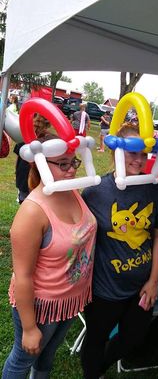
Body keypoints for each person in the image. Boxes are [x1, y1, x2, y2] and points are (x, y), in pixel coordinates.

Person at [80, 123, 158, 379]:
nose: (140, 160)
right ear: (116, 152)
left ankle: (99, 367)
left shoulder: (154, 188)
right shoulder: (96, 191)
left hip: (141, 286)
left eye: (144, 154)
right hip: (104, 289)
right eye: (134, 153)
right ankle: (92, 373)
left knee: (134, 337)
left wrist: (154, 281)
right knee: (96, 339)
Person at [2, 134, 97, 379]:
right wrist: (30, 327)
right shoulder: (32, 212)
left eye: (73, 162)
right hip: (41, 305)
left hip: (71, 298)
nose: (71, 170)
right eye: (62, 164)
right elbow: (22, 275)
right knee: (22, 359)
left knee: (48, 353)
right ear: (40, 164)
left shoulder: (72, 190)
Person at [14, 114, 51, 204]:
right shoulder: (48, 142)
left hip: (29, 178)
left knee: (25, 201)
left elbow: (18, 159)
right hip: (32, 178)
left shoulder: (24, 139)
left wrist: (17, 171)